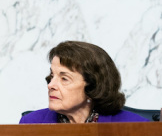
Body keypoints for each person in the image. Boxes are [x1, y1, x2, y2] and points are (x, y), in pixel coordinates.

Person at [19, 41, 148, 123]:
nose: (51, 85)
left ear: (92, 86)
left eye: (64, 78)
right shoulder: (30, 123)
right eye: (52, 76)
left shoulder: (136, 126)